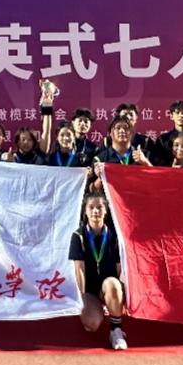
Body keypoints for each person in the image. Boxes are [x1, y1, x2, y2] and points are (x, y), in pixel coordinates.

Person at [69, 193, 128, 350]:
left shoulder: (114, 236)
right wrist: (82, 297)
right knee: (92, 324)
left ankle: (116, 329)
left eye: (99, 207)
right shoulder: (78, 236)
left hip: (108, 286)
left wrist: (122, 293)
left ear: (106, 210)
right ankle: (98, 308)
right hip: (90, 290)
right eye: (91, 207)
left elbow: (120, 268)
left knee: (113, 284)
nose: (96, 211)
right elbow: (79, 269)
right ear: (86, 211)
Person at [90, 118, 150, 190]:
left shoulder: (143, 155)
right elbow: (91, 190)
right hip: (112, 197)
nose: (122, 131)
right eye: (118, 128)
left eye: (126, 128)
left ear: (131, 133)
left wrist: (146, 163)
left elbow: (156, 181)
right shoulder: (100, 159)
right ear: (111, 134)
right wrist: (101, 177)